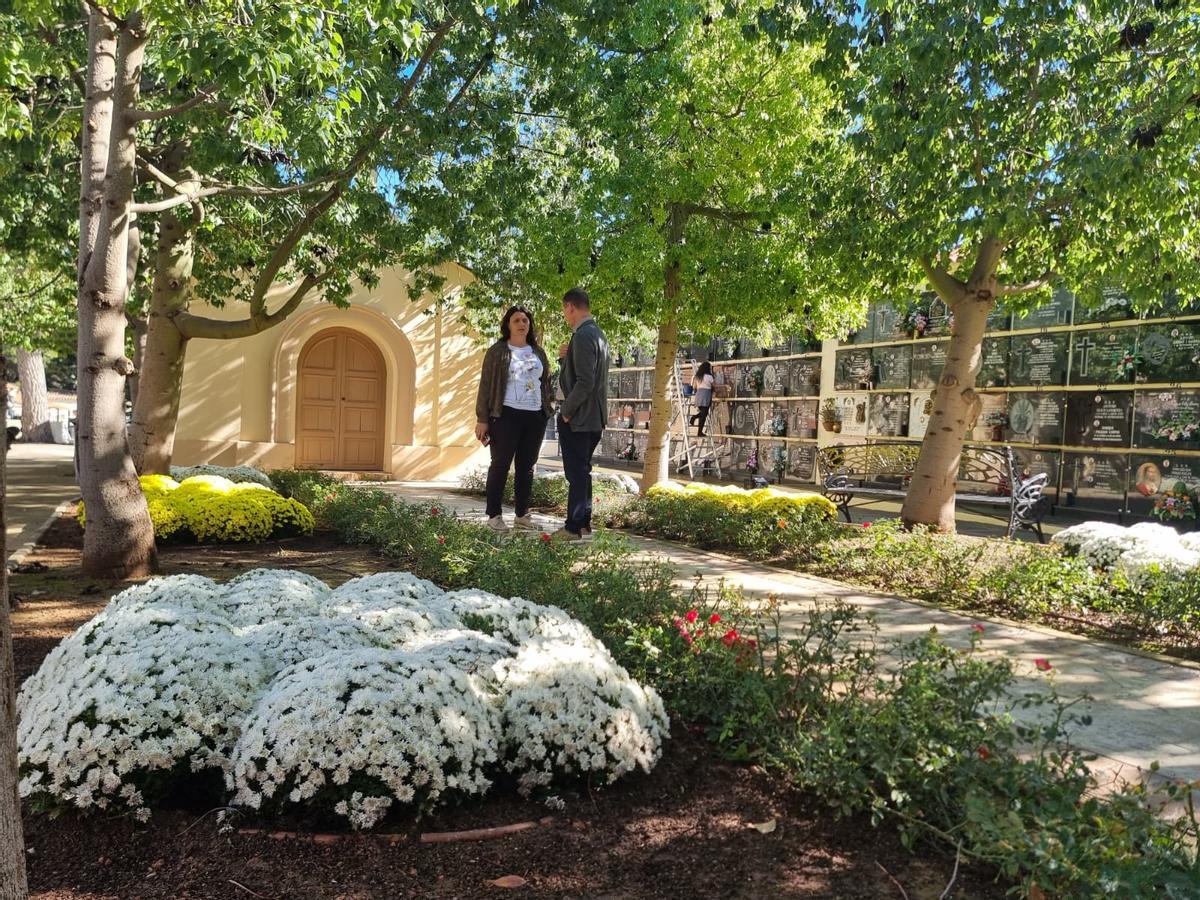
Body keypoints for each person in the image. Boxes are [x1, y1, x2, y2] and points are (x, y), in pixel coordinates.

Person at [474, 305, 555, 532]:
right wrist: (482, 418)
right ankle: (494, 516)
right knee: (499, 465)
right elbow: (486, 386)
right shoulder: (498, 351)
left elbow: (545, 382)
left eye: (525, 320)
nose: (522, 324)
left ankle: (522, 515)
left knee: (526, 467)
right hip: (505, 414)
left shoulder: (538, 352)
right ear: (508, 324)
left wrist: (549, 406)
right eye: (517, 320)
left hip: (535, 416)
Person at [554, 287, 609, 541]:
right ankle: (583, 524)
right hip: (592, 417)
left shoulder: (583, 336)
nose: (565, 315)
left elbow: (585, 381)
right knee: (582, 471)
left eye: (565, 310)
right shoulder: (596, 334)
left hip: (579, 418)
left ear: (570, 307)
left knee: (575, 473)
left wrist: (566, 412)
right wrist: (565, 359)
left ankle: (573, 527)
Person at [688, 360, 714, 436]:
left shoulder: (698, 376)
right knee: (704, 414)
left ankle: (699, 430)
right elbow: (714, 385)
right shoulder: (709, 376)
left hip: (699, 394)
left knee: (703, 414)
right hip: (706, 395)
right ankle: (695, 419)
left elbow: (694, 387)